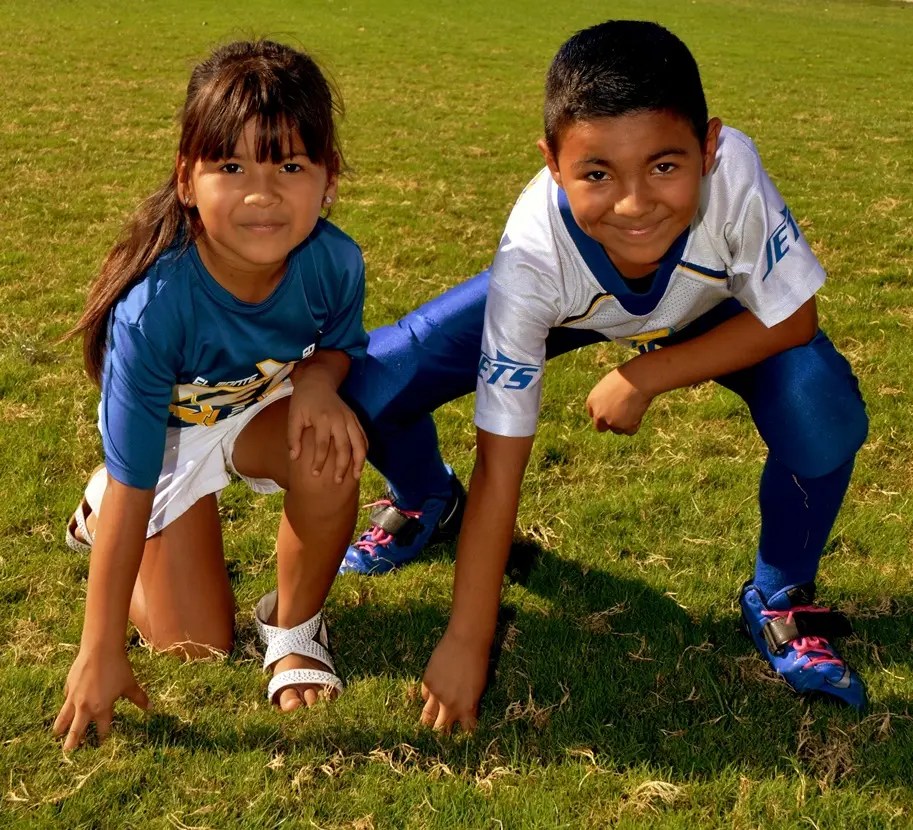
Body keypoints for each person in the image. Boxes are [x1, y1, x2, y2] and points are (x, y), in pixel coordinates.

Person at [339, 20, 869, 723]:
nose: (634, 202)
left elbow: (793, 318)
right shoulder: (534, 255)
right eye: (596, 173)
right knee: (368, 389)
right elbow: (504, 462)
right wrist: (469, 636)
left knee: (819, 401)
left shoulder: (734, 171)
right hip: (570, 303)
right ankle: (428, 501)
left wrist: (647, 375)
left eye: (665, 166)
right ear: (552, 163)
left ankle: (781, 592)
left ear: (709, 147)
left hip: (710, 309)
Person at [54, 40, 370, 750]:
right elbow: (142, 483)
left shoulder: (334, 262)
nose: (262, 194)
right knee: (193, 645)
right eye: (231, 167)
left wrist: (319, 382)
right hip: (163, 451)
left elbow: (342, 343)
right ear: (188, 181)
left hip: (258, 411)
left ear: (328, 182)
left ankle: (293, 631)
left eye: (289, 166)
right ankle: (97, 516)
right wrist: (100, 647)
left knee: (328, 452)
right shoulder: (156, 307)